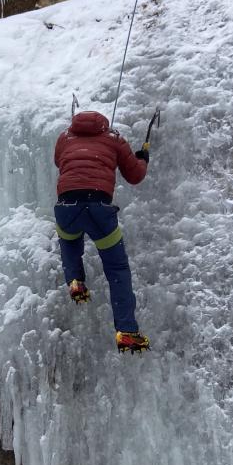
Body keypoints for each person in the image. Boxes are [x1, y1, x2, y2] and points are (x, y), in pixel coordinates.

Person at [53, 109, 150, 353]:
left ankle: (76, 284)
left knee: (69, 243)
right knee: (117, 268)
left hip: (67, 206)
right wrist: (143, 157)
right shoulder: (114, 138)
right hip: (98, 208)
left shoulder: (65, 137)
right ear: (103, 125)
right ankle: (127, 332)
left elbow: (58, 161)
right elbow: (135, 175)